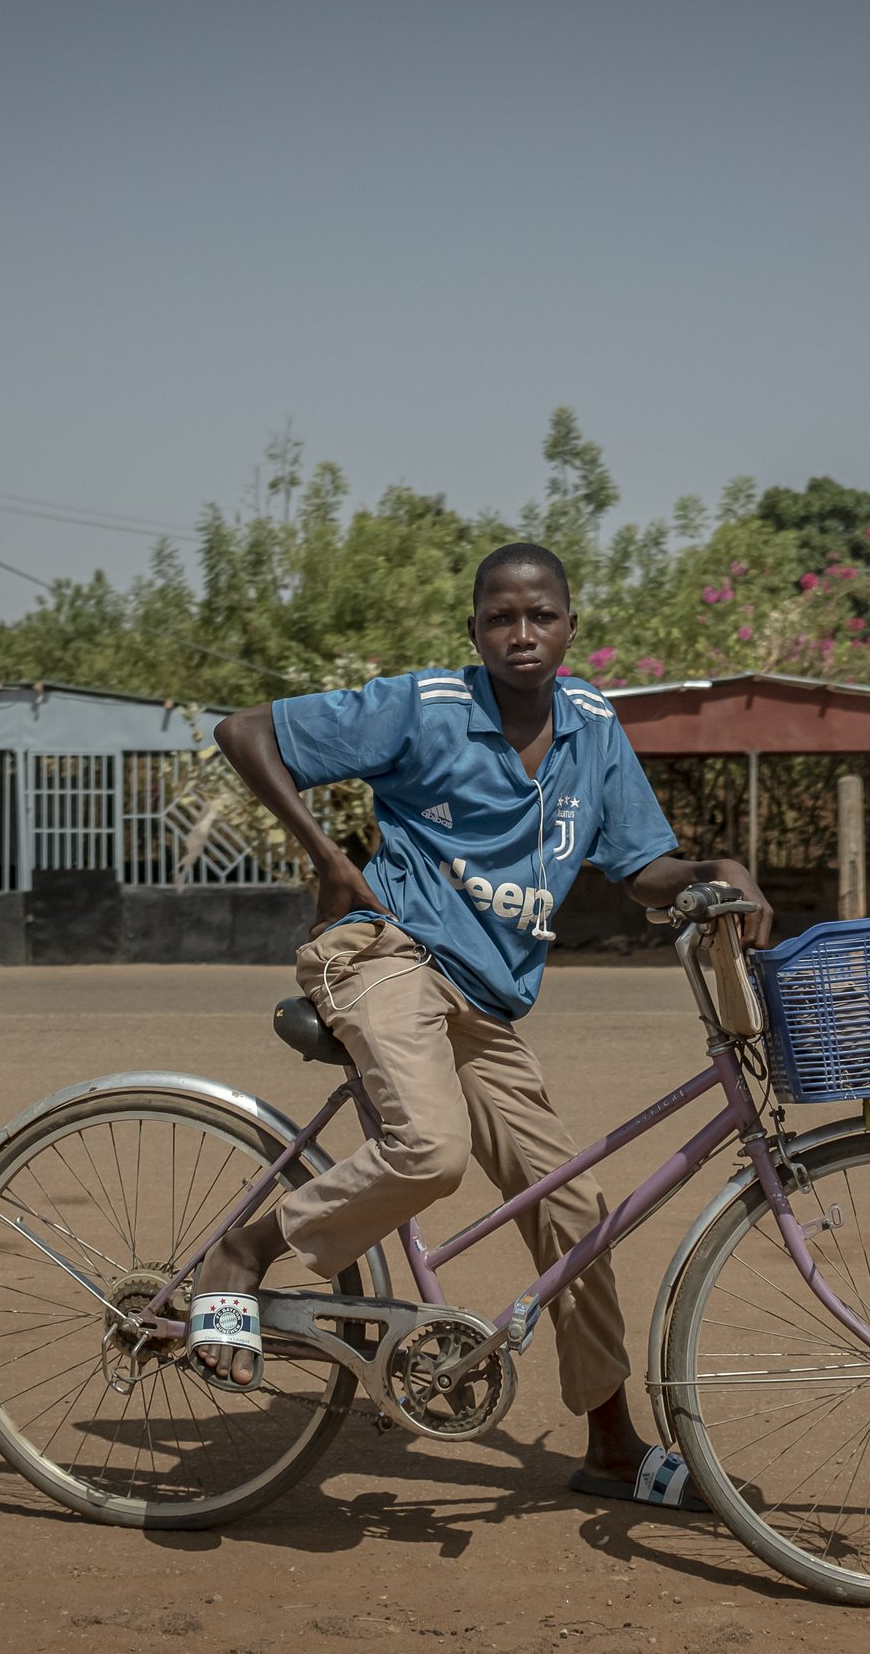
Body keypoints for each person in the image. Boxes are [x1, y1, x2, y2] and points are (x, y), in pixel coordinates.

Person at [200, 541, 772, 1509]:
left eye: (539, 615)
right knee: (429, 1151)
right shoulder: (424, 706)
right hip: (386, 954)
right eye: (500, 617)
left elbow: (642, 871)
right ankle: (245, 1252)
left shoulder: (592, 724)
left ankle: (608, 1441)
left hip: (486, 1001)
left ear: (569, 625)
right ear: (474, 631)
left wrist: (715, 869)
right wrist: (330, 861)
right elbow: (244, 729)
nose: (521, 633)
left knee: (574, 1212)